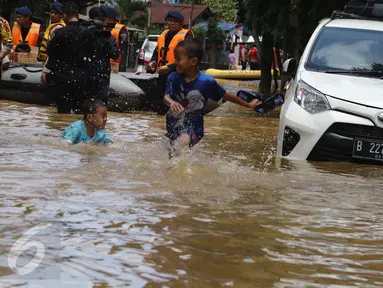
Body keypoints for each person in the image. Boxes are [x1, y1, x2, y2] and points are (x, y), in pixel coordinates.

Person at [164, 38, 262, 150]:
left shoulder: (206, 82)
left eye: (178, 59)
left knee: (181, 145)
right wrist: (171, 102)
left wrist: (248, 105)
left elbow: (227, 95)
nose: (175, 62)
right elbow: (166, 97)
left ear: (193, 61)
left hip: (194, 128)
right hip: (173, 125)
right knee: (172, 154)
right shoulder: (173, 78)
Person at [45, 1, 98, 114]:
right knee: (79, 113)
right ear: (78, 15)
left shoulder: (60, 33)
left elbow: (50, 52)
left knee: (62, 113)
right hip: (82, 79)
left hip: (62, 78)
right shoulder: (88, 33)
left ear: (64, 16)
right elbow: (94, 55)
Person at [88, 7, 119, 104]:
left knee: (101, 104)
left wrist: (106, 42)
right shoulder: (86, 33)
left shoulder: (109, 38)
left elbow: (115, 55)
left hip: (102, 76)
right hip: (86, 75)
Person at [147, 11, 193, 76]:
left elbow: (188, 58)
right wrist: (153, 62)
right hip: (162, 75)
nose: (172, 23)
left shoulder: (186, 37)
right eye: (170, 20)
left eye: (175, 21)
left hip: (180, 75)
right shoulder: (163, 35)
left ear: (181, 23)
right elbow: (156, 53)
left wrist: (169, 67)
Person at [104, 7, 129, 72]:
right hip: (103, 65)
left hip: (114, 66)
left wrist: (122, 69)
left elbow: (124, 51)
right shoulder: (100, 27)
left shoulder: (121, 29)